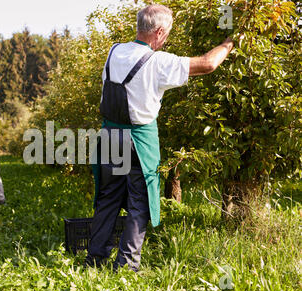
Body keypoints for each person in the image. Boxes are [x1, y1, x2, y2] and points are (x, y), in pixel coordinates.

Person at [86, 4, 234, 271]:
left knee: (108, 199)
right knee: (139, 202)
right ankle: (126, 267)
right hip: (138, 142)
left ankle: (94, 260)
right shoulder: (158, 61)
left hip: (109, 136)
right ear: (160, 31)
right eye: (167, 34)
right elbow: (208, 64)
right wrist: (228, 43)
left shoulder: (114, 51)